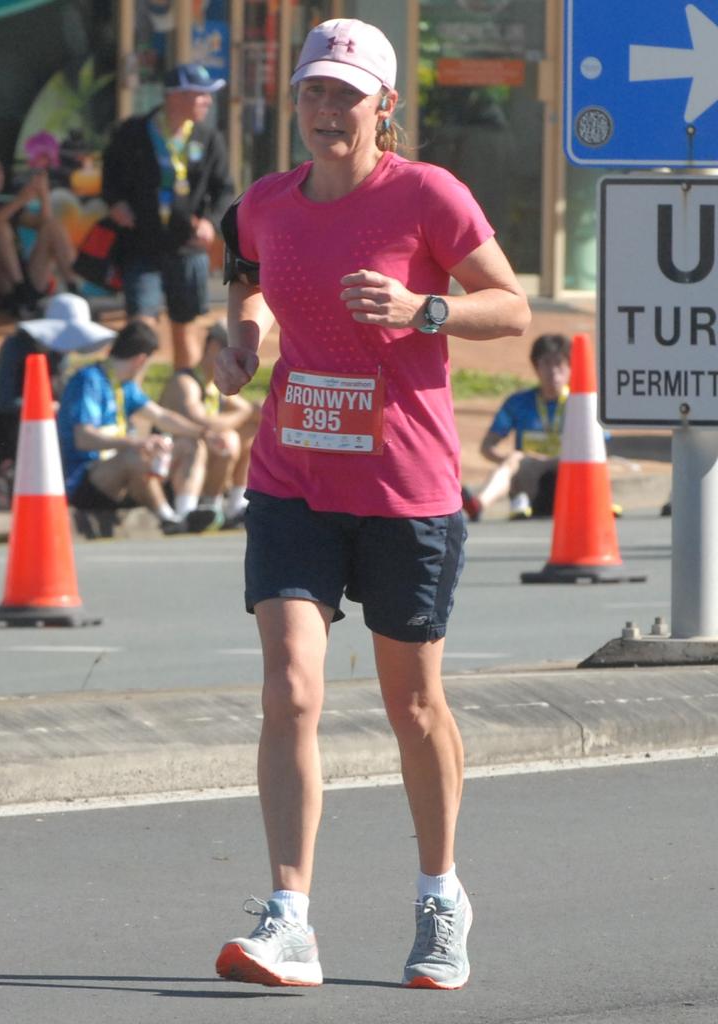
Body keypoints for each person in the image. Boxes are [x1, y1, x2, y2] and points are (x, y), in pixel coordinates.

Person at [212, 19, 530, 990]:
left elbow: (512, 304)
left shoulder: (428, 195)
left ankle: (441, 894)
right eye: (313, 92)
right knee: (291, 687)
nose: (325, 110)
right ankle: (291, 917)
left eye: (346, 95)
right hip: (293, 478)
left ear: (384, 106)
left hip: (406, 490)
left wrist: (423, 308)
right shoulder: (265, 203)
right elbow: (249, 276)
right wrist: (242, 341)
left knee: (414, 703)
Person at [102, 62, 234, 370]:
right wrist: (116, 203)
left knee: (183, 322)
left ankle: (182, 391)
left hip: (186, 246)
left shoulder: (209, 138)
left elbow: (225, 189)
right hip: (140, 243)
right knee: (140, 321)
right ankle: (125, 392)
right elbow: (109, 177)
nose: (208, 102)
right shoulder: (132, 132)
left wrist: (210, 223)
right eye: (201, 95)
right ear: (176, 96)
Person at [56, 320, 213, 532]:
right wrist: (137, 442)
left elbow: (161, 416)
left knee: (190, 444)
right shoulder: (88, 380)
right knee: (135, 456)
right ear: (141, 360)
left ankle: (186, 514)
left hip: (121, 471)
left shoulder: (124, 385)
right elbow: (83, 438)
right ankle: (168, 519)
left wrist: (203, 433)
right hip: (85, 478)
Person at [0, 293, 114, 509]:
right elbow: (2, 399)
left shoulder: (59, 356)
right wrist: (39, 408)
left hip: (46, 432)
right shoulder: (15, 347)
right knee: (11, 502)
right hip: (3, 434)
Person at [0, 150, 79, 317]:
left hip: (27, 277)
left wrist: (43, 194)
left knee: (53, 226)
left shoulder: (7, 206)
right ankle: (21, 293)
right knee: (0, 228)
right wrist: (20, 200)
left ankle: (74, 289)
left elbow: (45, 225)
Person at [158, 320, 260, 528]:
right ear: (213, 347)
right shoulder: (186, 382)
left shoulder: (215, 385)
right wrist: (246, 413)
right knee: (217, 440)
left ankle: (233, 505)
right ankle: (186, 510)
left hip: (202, 464)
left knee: (250, 430)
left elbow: (253, 412)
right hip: (168, 467)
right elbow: (201, 422)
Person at [461, 333, 571, 522]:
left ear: (570, 367)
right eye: (546, 364)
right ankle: (478, 505)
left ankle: (599, 504)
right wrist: (512, 460)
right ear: (536, 368)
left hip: (568, 476)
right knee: (515, 457)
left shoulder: (581, 403)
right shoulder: (517, 402)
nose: (553, 371)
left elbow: (601, 449)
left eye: (559, 364)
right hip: (528, 476)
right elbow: (487, 448)